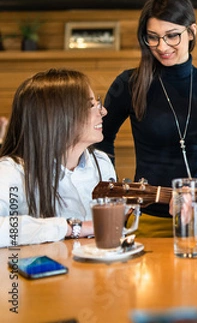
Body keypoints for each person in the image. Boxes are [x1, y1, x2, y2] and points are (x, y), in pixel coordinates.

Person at [97, 0, 197, 237]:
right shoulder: (129, 83)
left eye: (172, 36)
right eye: (153, 37)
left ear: (192, 31)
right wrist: (114, 190)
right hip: (150, 215)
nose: (162, 47)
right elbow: (102, 137)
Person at [0, 69, 116, 247]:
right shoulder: (12, 173)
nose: (103, 111)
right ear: (58, 116)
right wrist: (71, 228)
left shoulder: (101, 163)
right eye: (91, 105)